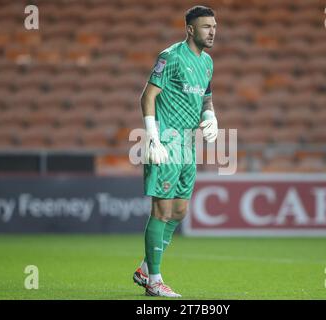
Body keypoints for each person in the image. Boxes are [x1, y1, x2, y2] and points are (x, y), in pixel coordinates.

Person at [133, 5, 218, 298]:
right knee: (162, 210)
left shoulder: (207, 63)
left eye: (214, 27)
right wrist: (153, 139)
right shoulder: (170, 57)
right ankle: (154, 281)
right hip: (165, 142)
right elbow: (147, 97)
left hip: (187, 146)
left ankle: (145, 268)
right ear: (191, 29)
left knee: (180, 211)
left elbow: (206, 99)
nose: (212, 32)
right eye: (206, 27)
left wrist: (210, 117)